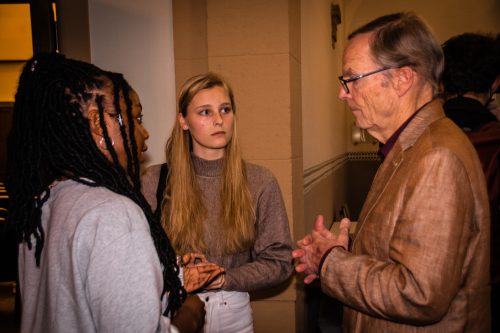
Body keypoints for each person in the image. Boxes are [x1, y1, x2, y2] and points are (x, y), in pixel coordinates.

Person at [293, 12, 491, 332]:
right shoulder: (409, 147)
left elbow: (419, 294)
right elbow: (405, 246)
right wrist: (349, 249)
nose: (342, 94)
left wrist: (331, 263)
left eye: (351, 79)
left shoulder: (437, 158)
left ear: (401, 79)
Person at [7, 52, 206, 333]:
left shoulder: (42, 205)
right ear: (99, 124)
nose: (145, 133)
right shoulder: (113, 214)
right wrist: (190, 315)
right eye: (136, 118)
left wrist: (170, 276)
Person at [141, 72, 293, 333]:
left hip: (231, 309)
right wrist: (178, 271)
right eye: (205, 112)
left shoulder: (259, 181)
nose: (219, 120)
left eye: (225, 109)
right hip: (172, 309)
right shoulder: (154, 180)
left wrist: (224, 277)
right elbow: (137, 259)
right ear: (183, 121)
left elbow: (280, 262)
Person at [441, 32, 500, 331]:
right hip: (488, 285)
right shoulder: (495, 140)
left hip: (429, 284)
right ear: (495, 83)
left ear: (441, 82)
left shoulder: (414, 139)